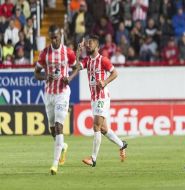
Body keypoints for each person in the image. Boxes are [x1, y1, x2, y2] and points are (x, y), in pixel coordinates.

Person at [34, 25, 79, 175]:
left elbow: (77, 67)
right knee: (52, 129)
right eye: (51, 37)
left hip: (62, 93)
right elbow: (36, 73)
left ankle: (55, 164)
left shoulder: (68, 52)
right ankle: (63, 146)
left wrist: (70, 78)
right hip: (49, 94)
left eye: (56, 37)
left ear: (60, 35)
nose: (54, 39)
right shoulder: (45, 53)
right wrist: (46, 77)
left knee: (59, 127)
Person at [77, 35, 128, 167]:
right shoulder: (87, 60)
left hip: (102, 96)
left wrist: (105, 82)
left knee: (96, 126)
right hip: (94, 98)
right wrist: (78, 52)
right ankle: (122, 145)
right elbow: (76, 67)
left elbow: (115, 73)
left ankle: (93, 159)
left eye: (91, 43)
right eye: (87, 43)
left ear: (97, 47)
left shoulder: (103, 60)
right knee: (104, 129)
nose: (88, 45)